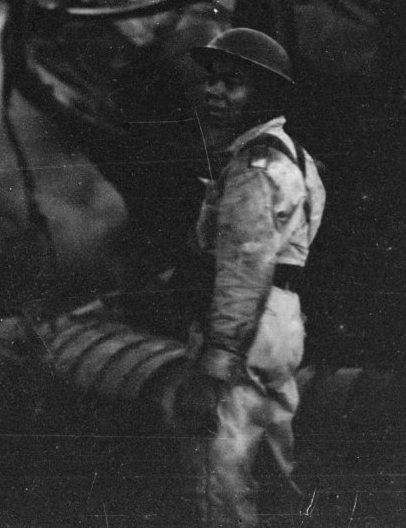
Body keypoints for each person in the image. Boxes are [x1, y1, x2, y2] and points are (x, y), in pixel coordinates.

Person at [173, 27, 326, 528]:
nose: (214, 92)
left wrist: (215, 366)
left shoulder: (253, 166)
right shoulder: (295, 156)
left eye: (232, 84)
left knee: (220, 476)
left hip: (246, 328)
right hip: (281, 322)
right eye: (212, 80)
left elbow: (244, 269)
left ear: (264, 94)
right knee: (274, 469)